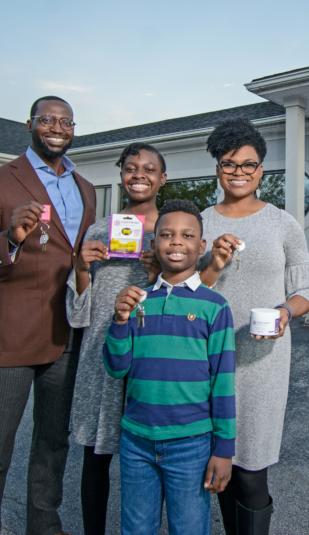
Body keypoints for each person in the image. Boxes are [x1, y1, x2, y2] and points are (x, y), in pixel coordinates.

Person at [0, 96, 96, 535]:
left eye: (65, 121)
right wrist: (9, 237)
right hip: (9, 335)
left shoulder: (85, 188)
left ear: (74, 128)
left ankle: (44, 527)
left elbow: (75, 256)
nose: (57, 127)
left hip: (66, 333)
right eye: (47, 119)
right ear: (29, 124)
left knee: (53, 444)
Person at [197, 117, 309, 535]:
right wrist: (212, 262)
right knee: (218, 465)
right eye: (229, 164)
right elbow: (187, 291)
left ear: (261, 170)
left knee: (251, 469)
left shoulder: (282, 223)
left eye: (248, 165)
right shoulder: (201, 222)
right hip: (207, 360)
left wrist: (286, 312)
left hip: (262, 362)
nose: (238, 172)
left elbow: (307, 286)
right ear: (218, 168)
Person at [104, 198, 236, 535]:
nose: (176, 242)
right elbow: (117, 368)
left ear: (202, 246)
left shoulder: (215, 307)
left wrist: (224, 450)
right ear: (153, 244)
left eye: (187, 235)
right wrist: (119, 320)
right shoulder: (137, 300)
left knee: (189, 527)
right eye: (166, 234)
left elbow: (223, 383)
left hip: (190, 443)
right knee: (135, 528)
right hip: (136, 440)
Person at [65, 142, 166, 534]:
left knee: (150, 460)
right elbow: (78, 315)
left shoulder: (170, 231)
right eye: (130, 167)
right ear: (120, 173)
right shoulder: (99, 230)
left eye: (149, 168)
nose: (139, 174)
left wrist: (157, 274)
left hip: (148, 358)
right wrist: (82, 269)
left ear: (162, 178)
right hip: (99, 358)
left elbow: (180, 302)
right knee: (95, 460)